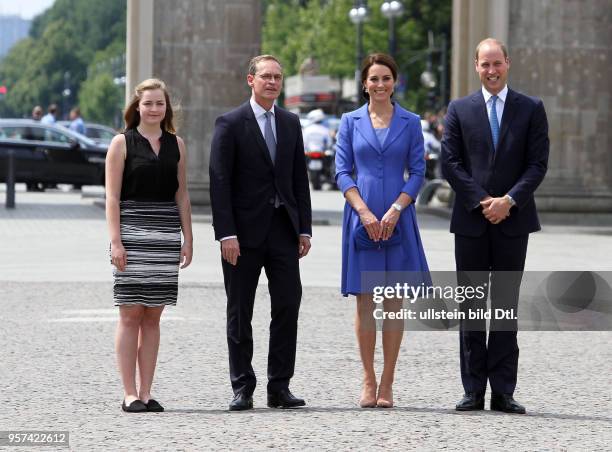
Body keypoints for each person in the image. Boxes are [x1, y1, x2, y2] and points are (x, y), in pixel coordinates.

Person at [441, 38, 549, 414]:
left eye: (497, 64)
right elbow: (450, 163)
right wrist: (483, 201)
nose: (491, 71)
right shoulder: (459, 109)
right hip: (471, 220)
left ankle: (503, 390)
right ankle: (473, 389)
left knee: (505, 306)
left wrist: (509, 201)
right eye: (485, 65)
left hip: (513, 221)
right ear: (476, 66)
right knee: (471, 307)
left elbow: (537, 164)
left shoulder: (531, 108)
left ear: (508, 63)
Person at [209, 55, 312, 411]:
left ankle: (279, 386)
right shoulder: (230, 123)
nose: (272, 82)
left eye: (278, 77)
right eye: (266, 76)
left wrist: (304, 229)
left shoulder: (290, 122)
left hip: (283, 231)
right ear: (250, 80)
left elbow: (300, 179)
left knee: (288, 306)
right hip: (242, 236)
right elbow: (219, 183)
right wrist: (226, 234)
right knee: (240, 311)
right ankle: (243, 387)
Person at [335, 53, 429, 408]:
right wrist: (363, 211)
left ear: (395, 82)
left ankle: (388, 381)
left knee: (393, 304)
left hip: (398, 217)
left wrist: (394, 210)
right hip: (361, 218)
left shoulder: (411, 121)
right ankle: (367, 379)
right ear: (364, 83)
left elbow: (418, 171)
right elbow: (342, 171)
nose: (379, 85)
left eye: (386, 79)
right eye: (373, 79)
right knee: (364, 302)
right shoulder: (349, 121)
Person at [105, 78, 193, 413]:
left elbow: (181, 194)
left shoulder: (177, 145)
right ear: (137, 107)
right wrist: (116, 241)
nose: (154, 109)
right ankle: (129, 393)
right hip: (131, 234)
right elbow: (112, 197)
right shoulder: (121, 143)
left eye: (160, 103)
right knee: (130, 314)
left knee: (154, 316)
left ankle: (146, 392)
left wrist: (188, 238)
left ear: (166, 108)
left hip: (165, 236)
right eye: (148, 103)